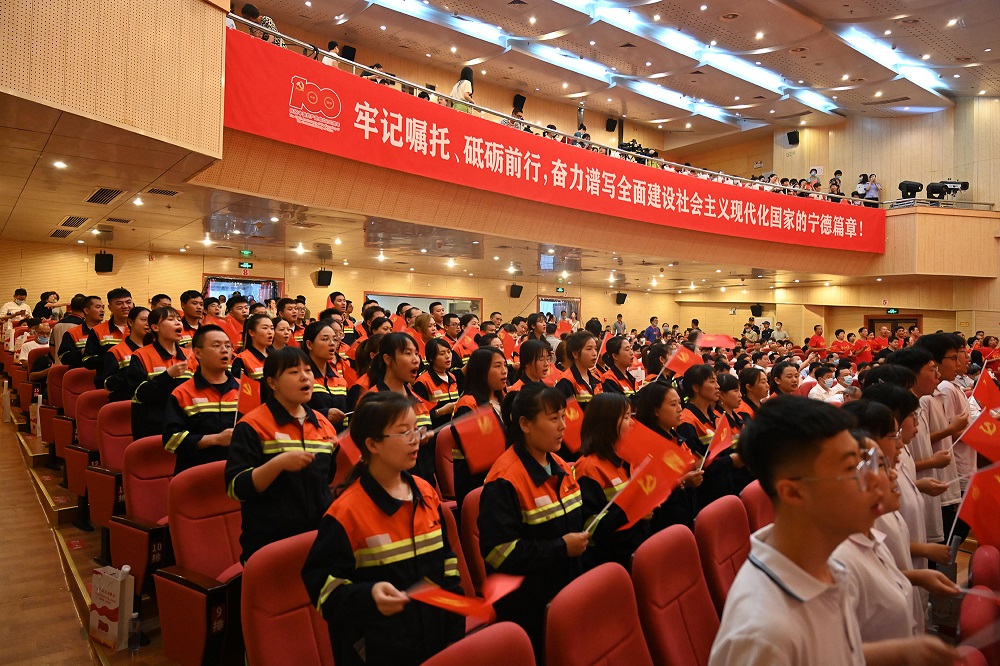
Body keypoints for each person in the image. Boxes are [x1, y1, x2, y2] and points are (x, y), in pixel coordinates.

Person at [709, 396, 956, 666]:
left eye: (867, 464)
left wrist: (901, 653)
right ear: (794, 492)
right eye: (852, 469)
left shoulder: (823, 565)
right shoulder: (765, 636)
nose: (877, 480)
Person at [301, 391, 464, 666]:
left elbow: (448, 565)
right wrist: (368, 596)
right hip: (382, 652)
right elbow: (323, 588)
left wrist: (454, 632)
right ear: (372, 444)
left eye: (416, 429)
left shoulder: (426, 492)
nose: (415, 439)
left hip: (437, 643)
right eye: (403, 432)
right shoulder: (345, 513)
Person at [478, 383, 587, 656]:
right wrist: (562, 547)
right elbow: (499, 553)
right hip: (530, 606)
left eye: (563, 417)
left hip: (567, 593)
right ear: (525, 424)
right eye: (553, 419)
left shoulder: (561, 466)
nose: (563, 426)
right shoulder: (504, 480)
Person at [225, 347, 339, 563]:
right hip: (269, 544)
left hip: (318, 541)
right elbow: (235, 487)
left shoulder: (323, 424)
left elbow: (327, 479)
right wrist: (277, 464)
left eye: (308, 370)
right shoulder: (252, 425)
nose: (305, 377)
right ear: (273, 383)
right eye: (294, 372)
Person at [574, 392, 650, 570]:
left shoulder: (627, 458)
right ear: (607, 423)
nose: (633, 423)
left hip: (638, 551)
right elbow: (590, 528)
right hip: (612, 562)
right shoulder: (588, 468)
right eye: (626, 417)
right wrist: (632, 511)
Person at [162, 326, 238, 474]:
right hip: (196, 474)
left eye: (228, 346)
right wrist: (216, 439)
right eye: (216, 345)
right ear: (198, 352)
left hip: (236, 474)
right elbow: (171, 441)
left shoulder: (246, 390)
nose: (224, 350)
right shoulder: (182, 393)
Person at [633, 381, 702, 531]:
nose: (679, 409)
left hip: (687, 515)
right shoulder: (647, 446)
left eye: (679, 403)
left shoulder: (676, 437)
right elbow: (651, 493)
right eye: (673, 405)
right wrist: (682, 483)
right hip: (665, 525)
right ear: (655, 410)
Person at [366, 333, 434, 482]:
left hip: (422, 482)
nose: (416, 359)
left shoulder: (417, 400)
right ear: (387, 359)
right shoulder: (373, 401)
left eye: (416, 354)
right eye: (407, 353)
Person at [126, 307, 196, 439]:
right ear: (155, 327)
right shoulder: (141, 355)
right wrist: (167, 376)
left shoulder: (189, 355)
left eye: (179, 319)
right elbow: (139, 394)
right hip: (153, 427)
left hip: (185, 425)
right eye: (171, 319)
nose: (178, 323)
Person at [451, 347, 507, 506]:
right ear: (481, 371)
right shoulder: (468, 404)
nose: (504, 371)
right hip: (478, 484)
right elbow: (480, 454)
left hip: (502, 475)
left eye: (505, 365)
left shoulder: (503, 398)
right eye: (497, 366)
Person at [300, 319, 349, 432]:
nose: (332, 343)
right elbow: (292, 411)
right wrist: (324, 414)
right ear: (309, 344)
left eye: (334, 339)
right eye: (325, 339)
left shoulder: (339, 379)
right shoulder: (300, 377)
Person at [100, 307, 148, 402]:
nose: (148, 323)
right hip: (125, 401)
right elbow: (108, 384)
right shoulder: (116, 351)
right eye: (143, 320)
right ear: (130, 322)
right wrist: (133, 370)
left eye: (150, 320)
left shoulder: (157, 349)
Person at [555, 331, 603, 417]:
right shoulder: (566, 381)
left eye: (595, 349)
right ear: (575, 354)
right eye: (589, 349)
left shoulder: (597, 378)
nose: (594, 353)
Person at [412, 338, 459, 428]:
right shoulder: (422, 382)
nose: (447, 356)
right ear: (431, 358)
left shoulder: (452, 377)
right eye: (442, 353)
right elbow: (420, 417)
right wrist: (441, 412)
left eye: (449, 352)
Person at [83, 287, 132, 371]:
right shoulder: (97, 330)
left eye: (128, 302)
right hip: (109, 376)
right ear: (110, 308)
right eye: (119, 303)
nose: (125, 306)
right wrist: (114, 358)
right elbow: (88, 360)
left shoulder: (142, 328)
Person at [58, 295, 104, 368]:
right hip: (81, 372)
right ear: (86, 310)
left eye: (103, 307)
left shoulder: (109, 331)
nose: (102, 310)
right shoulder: (72, 333)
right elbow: (63, 358)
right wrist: (82, 351)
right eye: (98, 307)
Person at [231, 313, 272, 384]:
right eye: (265, 328)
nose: (270, 332)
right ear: (251, 332)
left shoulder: (276, 356)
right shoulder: (242, 359)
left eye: (272, 328)